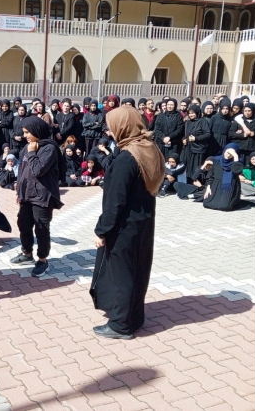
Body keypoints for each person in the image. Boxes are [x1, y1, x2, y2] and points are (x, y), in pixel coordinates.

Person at [90, 103, 165, 339]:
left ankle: (121, 325)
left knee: (121, 273)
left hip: (124, 226)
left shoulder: (126, 159)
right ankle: (135, 317)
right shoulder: (149, 148)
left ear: (124, 126)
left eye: (112, 127)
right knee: (138, 269)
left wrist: (102, 231)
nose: (110, 131)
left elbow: (115, 203)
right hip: (143, 220)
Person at [10, 115, 64, 278]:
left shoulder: (49, 148)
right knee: (23, 224)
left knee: (41, 228)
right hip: (27, 194)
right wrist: (19, 191)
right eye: (24, 132)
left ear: (37, 130)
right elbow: (22, 171)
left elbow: (38, 170)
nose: (25, 135)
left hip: (42, 195)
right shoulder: (26, 147)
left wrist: (33, 152)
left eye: (28, 132)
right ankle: (27, 253)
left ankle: (42, 259)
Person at [202, 143, 244, 211]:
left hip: (229, 186)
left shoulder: (238, 162)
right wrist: (208, 187)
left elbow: (237, 172)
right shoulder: (217, 160)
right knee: (206, 203)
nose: (228, 155)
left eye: (231, 154)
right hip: (216, 185)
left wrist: (236, 157)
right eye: (227, 152)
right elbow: (211, 175)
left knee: (224, 207)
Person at [182, 105, 211, 179]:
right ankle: (189, 182)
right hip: (188, 148)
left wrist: (196, 138)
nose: (191, 115)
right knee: (188, 167)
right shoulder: (188, 122)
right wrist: (184, 139)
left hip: (198, 149)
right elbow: (186, 134)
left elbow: (207, 134)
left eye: (193, 113)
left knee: (196, 167)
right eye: (189, 113)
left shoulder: (202, 121)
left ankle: (197, 182)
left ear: (197, 113)